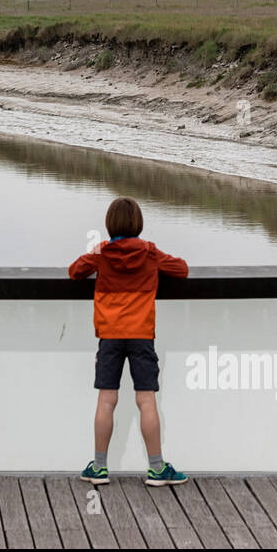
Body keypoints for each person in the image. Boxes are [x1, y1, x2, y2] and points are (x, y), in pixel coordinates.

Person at [68, 197, 189, 487]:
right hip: (141, 336)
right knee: (146, 400)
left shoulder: (102, 254)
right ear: (138, 224)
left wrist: (97, 251)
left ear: (110, 225)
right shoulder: (149, 253)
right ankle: (157, 469)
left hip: (109, 336)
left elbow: (74, 271)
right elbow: (182, 269)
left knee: (106, 400)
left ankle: (99, 468)